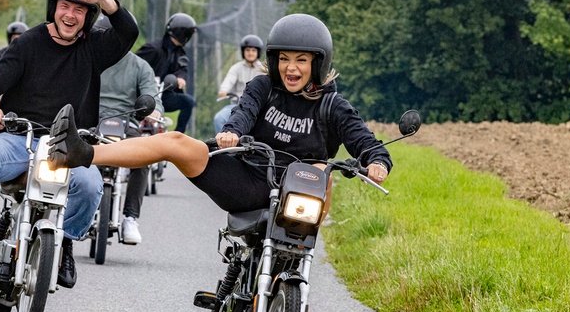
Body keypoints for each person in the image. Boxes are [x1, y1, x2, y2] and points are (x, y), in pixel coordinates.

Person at [47, 13, 392, 218]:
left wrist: (378, 161)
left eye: (302, 60)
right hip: (245, 179)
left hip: (295, 193)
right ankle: (81, 153)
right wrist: (231, 133)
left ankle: (300, 274)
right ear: (274, 61)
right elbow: (243, 114)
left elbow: (364, 140)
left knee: (323, 173)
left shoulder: (333, 105)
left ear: (318, 63)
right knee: (175, 141)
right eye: (284, 58)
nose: (291, 67)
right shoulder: (262, 86)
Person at [0, 0, 139, 289]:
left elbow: (128, 32)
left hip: (68, 145)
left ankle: (64, 244)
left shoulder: (95, 47)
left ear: (89, 15)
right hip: (19, 139)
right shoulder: (28, 43)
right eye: (65, 6)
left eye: (80, 9)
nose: (70, 15)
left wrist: (106, 1)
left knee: (91, 183)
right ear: (53, 8)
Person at [93, 13, 163, 245]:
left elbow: (150, 92)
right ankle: (72, 210)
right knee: (69, 155)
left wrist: (155, 110)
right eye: (105, 36)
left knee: (144, 157)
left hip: (127, 123)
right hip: (91, 121)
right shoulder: (88, 58)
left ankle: (130, 217)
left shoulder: (140, 66)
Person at [136, 12, 196, 133]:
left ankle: (178, 135)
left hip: (163, 95)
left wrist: (180, 77)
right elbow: (134, 66)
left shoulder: (180, 52)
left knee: (188, 102)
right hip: (143, 95)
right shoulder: (153, 49)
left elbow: (182, 68)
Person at [214, 34, 266, 132]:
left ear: (258, 52)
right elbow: (228, 81)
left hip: (258, 107)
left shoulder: (263, 69)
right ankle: (222, 146)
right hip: (237, 105)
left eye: (253, 50)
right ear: (243, 52)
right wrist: (224, 90)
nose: (250, 53)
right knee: (219, 118)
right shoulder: (236, 68)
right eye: (247, 50)